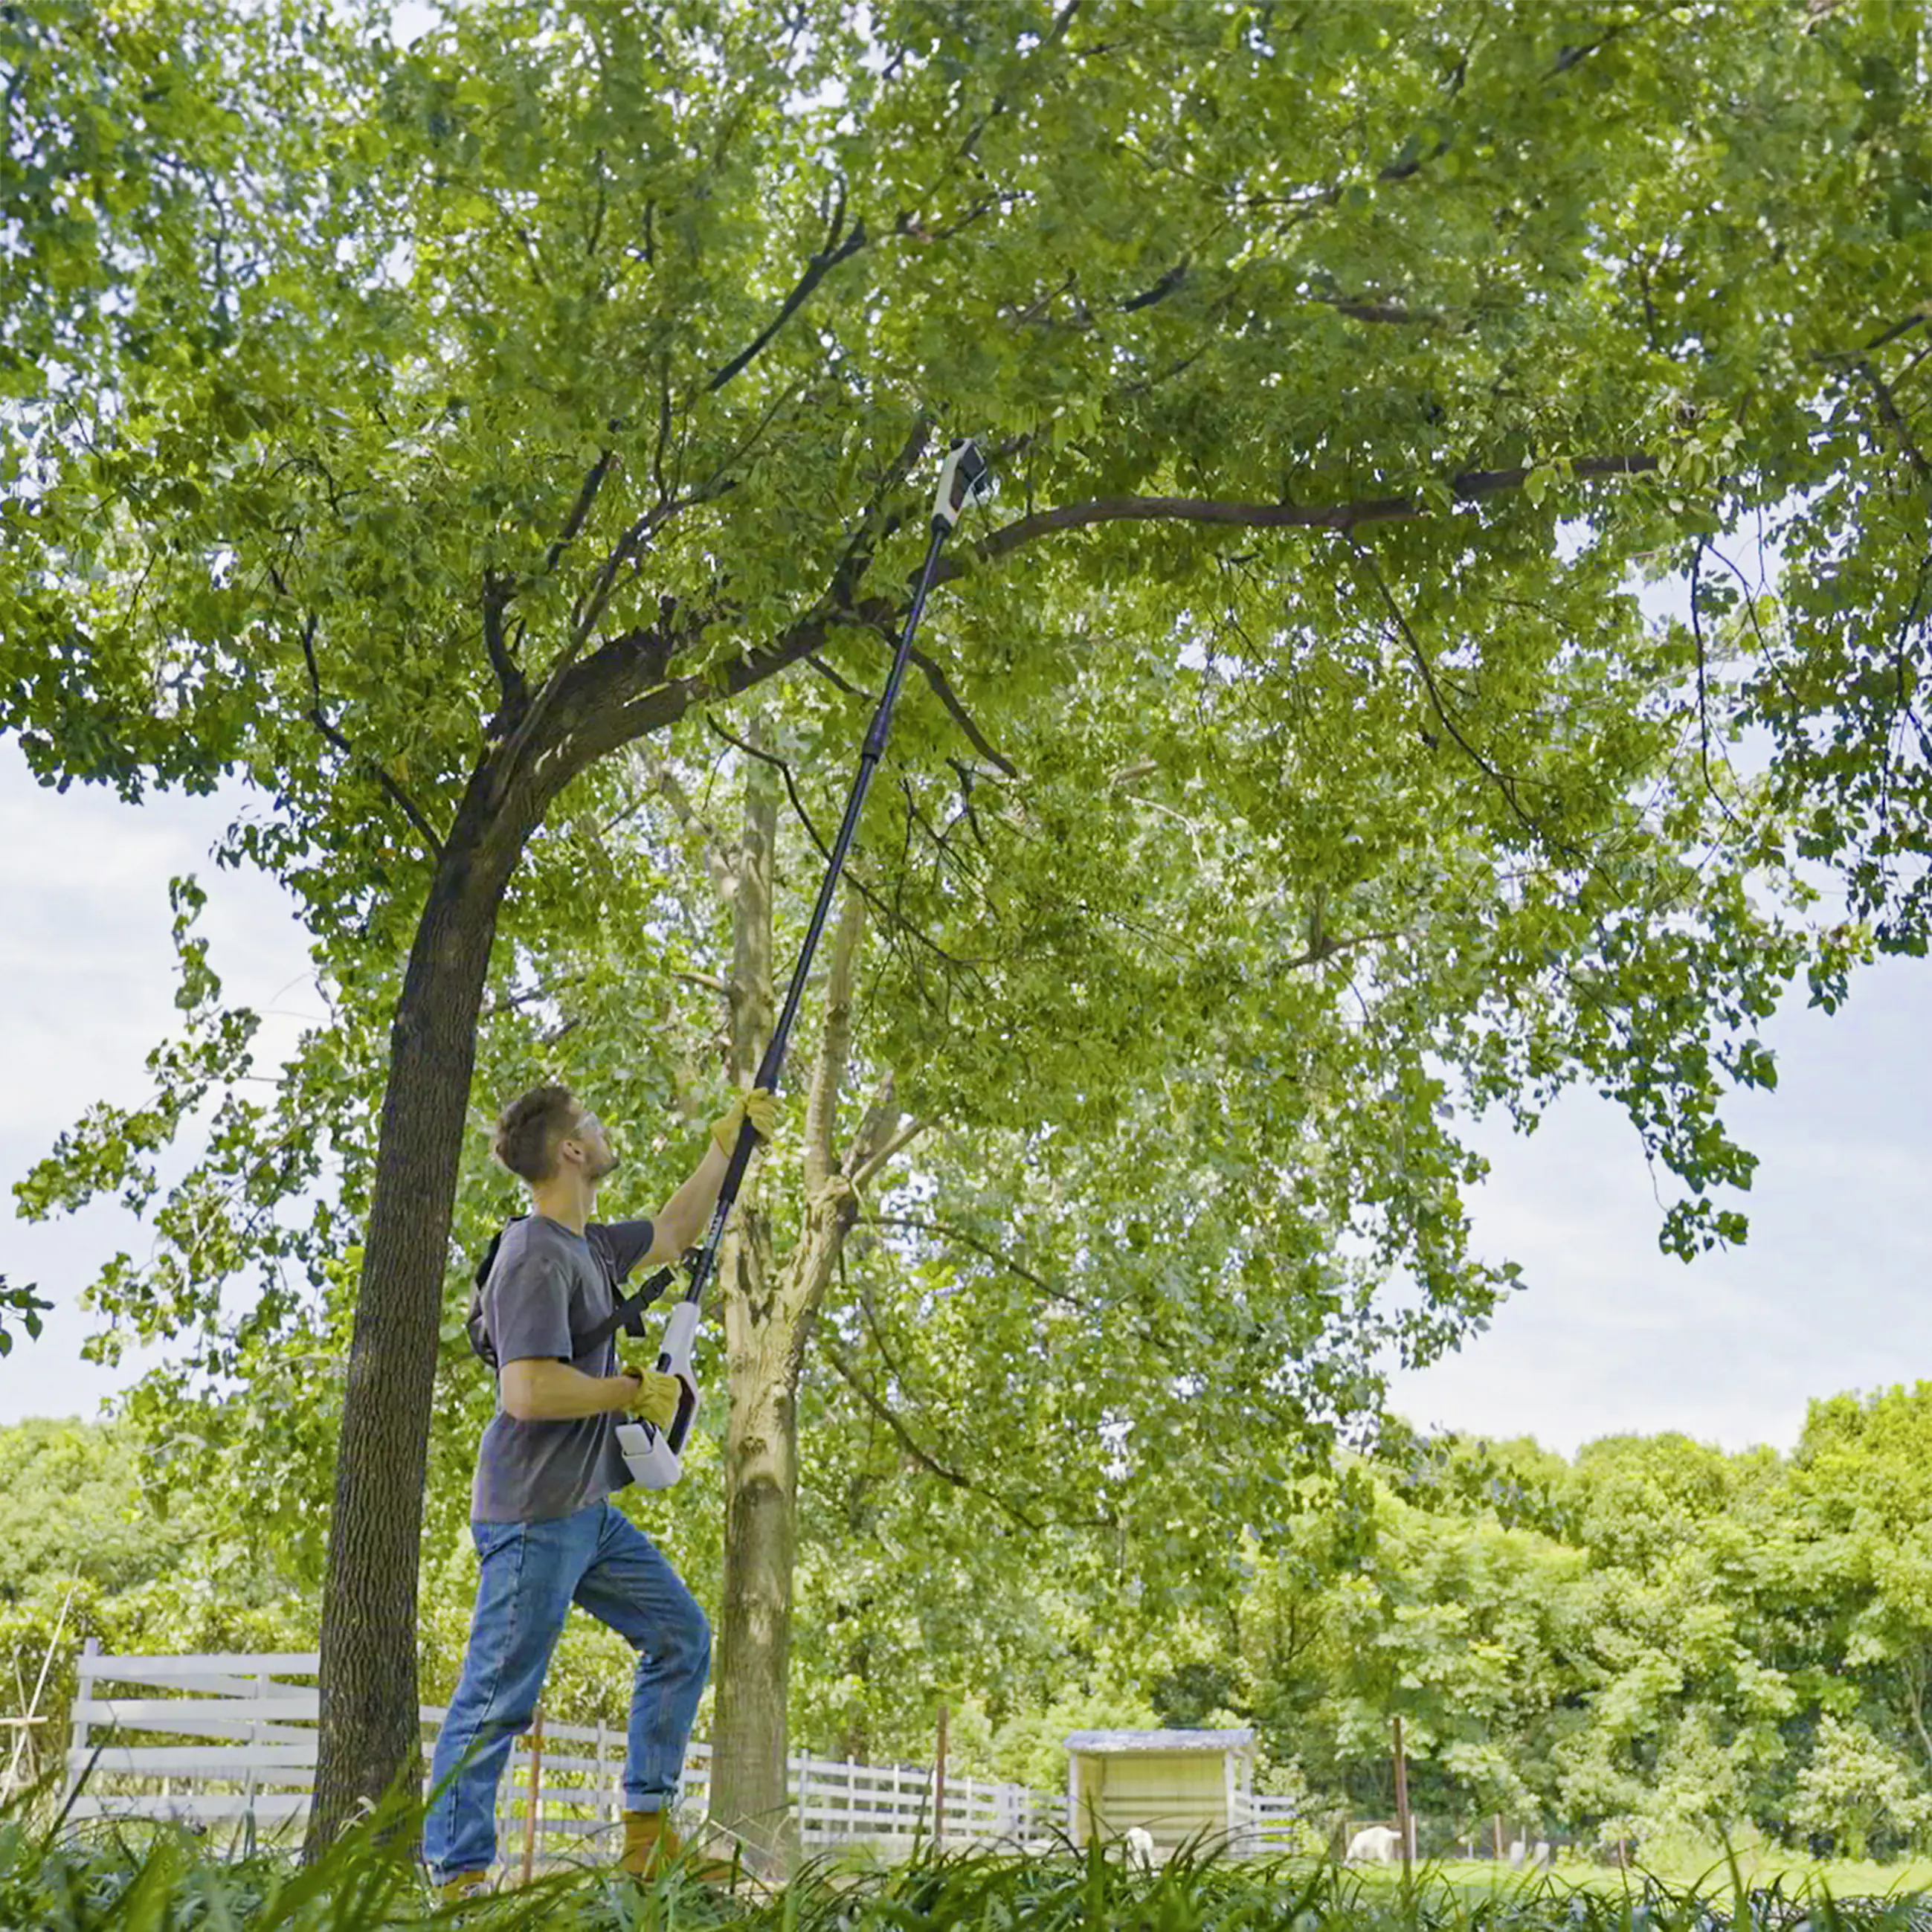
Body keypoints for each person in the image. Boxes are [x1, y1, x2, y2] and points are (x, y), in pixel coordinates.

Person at [424, 1080, 775, 1899]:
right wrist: (631, 1390)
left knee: (680, 1636)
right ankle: (456, 1880)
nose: (603, 1128)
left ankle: (647, 1842)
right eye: (591, 1122)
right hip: (531, 1512)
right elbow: (527, 1392)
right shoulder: (534, 1255)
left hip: (585, 1509)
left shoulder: (591, 1246)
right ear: (572, 1150)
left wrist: (725, 1147)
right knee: (497, 1697)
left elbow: (678, 1229)